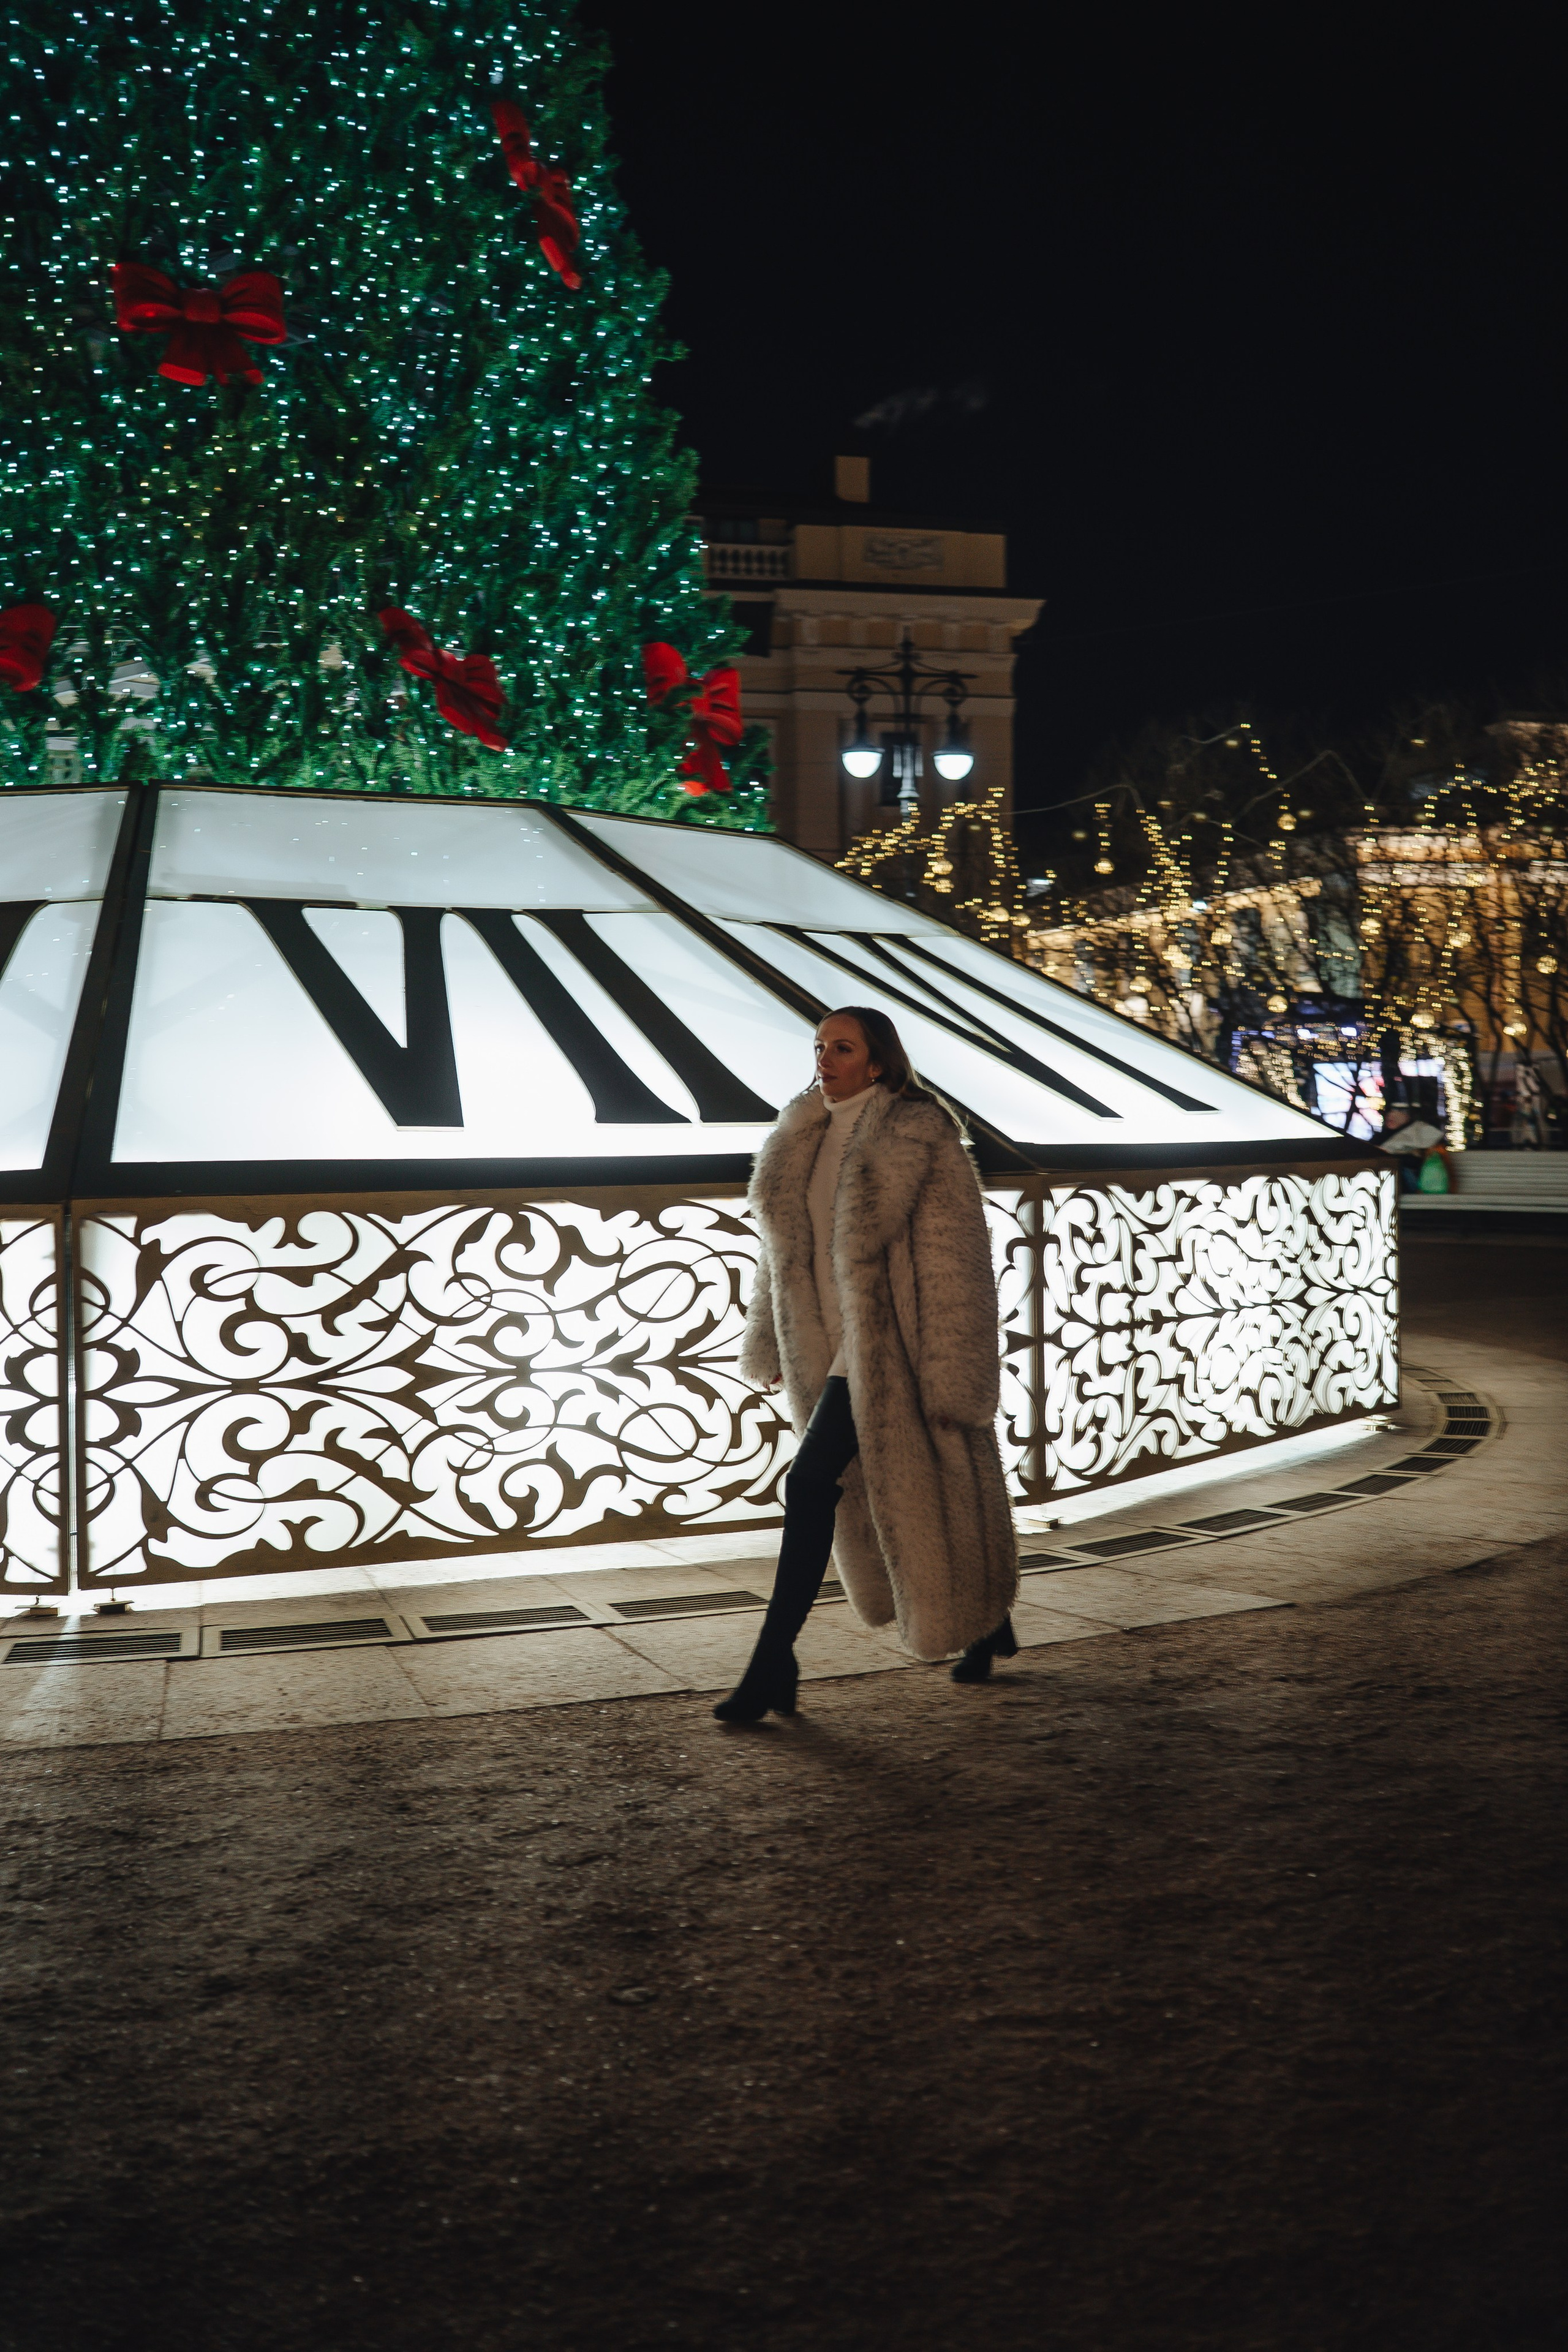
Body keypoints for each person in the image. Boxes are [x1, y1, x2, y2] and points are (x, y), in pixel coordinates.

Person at [715, 1005, 1019, 1724]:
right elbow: (782, 1255)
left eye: (842, 1048)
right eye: (819, 1046)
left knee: (812, 1482)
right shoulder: (800, 1132)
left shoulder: (919, 1132)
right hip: (826, 1341)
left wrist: (957, 1372)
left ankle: (771, 1663)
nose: (825, 1059)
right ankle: (991, 1622)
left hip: (894, 1347)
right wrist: (771, 1338)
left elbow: (957, 1262)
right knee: (926, 1486)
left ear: (877, 1061)